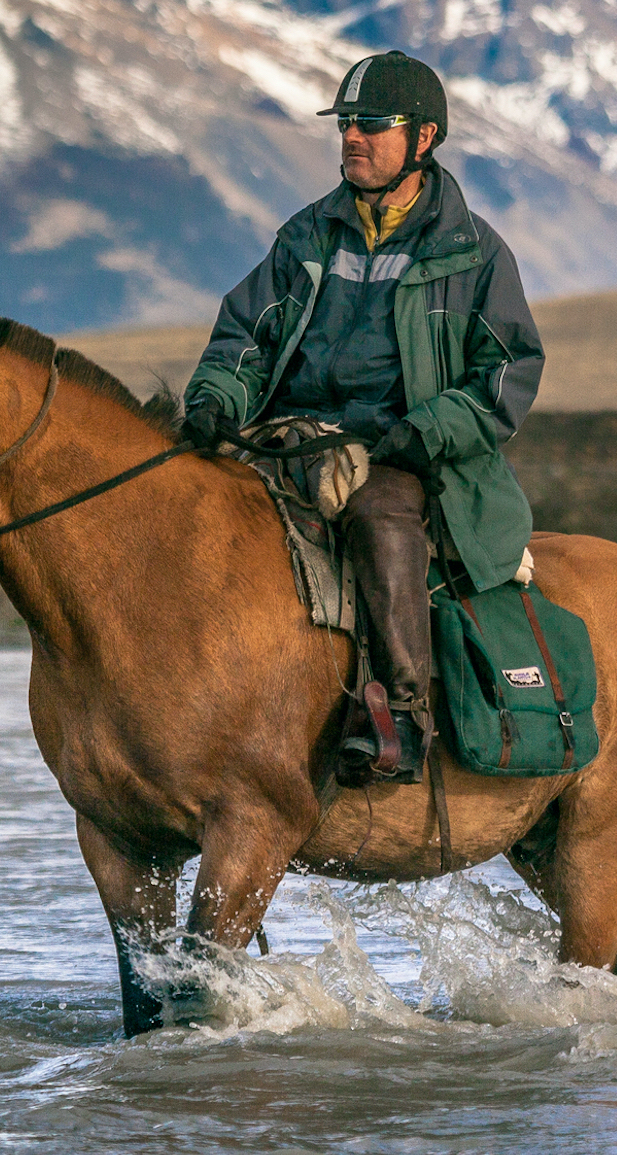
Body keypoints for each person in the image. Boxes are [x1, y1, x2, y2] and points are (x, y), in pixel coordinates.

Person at [181, 50, 543, 785]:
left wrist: (421, 434)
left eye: (373, 124)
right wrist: (216, 397)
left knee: (378, 516)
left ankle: (403, 718)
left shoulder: (473, 252)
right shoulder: (306, 234)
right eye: (347, 123)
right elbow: (246, 335)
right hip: (289, 439)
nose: (353, 137)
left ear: (425, 138)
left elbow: (508, 373)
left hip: (401, 454)